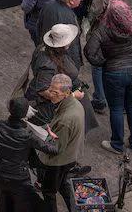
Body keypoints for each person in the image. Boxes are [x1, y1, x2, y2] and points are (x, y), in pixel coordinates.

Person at [85, 0, 132, 153]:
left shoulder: (102, 30)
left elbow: (89, 51)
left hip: (113, 74)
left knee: (116, 109)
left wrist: (102, 61)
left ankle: (117, 144)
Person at [0, 97, 59, 212]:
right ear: (24, 115)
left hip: (0, 174)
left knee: (2, 205)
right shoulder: (26, 136)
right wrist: (50, 136)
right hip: (19, 178)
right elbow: (52, 149)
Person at [36, 73, 84, 212]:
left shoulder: (66, 120)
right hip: (70, 155)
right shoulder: (74, 104)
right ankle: (74, 209)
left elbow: (55, 148)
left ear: (67, 92)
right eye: (50, 90)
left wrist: (42, 136)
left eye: (55, 92)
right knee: (63, 184)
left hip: (58, 162)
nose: (51, 94)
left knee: (48, 192)